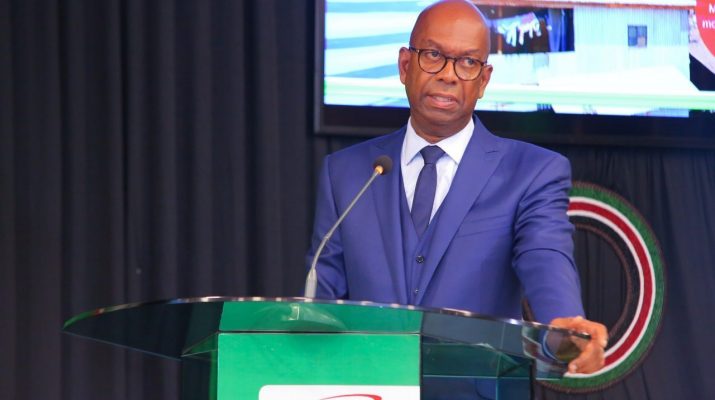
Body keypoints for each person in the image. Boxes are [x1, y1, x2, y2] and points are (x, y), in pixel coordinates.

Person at [306, 0, 606, 377]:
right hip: (367, 387)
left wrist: (563, 322)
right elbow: (322, 299)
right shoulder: (348, 172)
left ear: (484, 80)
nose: (448, 75)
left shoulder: (532, 172)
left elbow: (545, 254)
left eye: (467, 62)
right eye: (433, 55)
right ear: (405, 65)